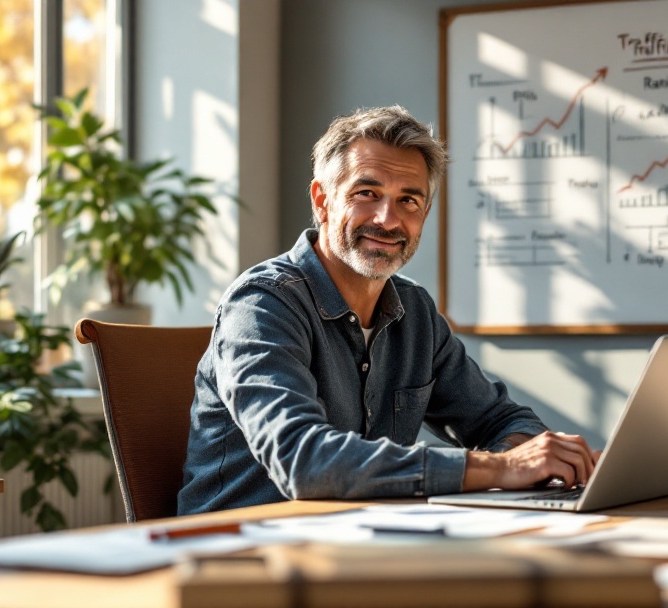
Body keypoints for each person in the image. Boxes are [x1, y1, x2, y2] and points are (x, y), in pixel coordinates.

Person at [178, 105, 598, 514]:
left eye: (409, 201)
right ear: (322, 200)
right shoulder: (261, 304)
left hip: (358, 541)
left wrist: (524, 460)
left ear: (425, 213)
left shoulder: (413, 311)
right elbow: (305, 461)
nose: (388, 219)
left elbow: (499, 420)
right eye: (367, 193)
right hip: (236, 555)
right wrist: (502, 467)